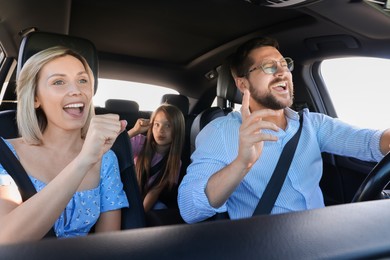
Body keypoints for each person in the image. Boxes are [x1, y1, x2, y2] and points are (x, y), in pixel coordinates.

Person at [178, 37, 390, 224]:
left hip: (323, 238)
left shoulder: (313, 124)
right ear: (243, 84)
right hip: (267, 246)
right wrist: (242, 163)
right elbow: (190, 209)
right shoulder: (221, 132)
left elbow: (372, 142)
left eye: (284, 64)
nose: (282, 72)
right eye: (269, 67)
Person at [0, 46, 129, 244]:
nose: (76, 90)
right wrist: (83, 161)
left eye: (83, 80)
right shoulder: (6, 155)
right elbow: (5, 238)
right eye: (59, 82)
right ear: (35, 98)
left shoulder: (107, 159)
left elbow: (108, 244)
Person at [127, 104, 185, 212]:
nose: (161, 130)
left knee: (161, 208)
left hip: (147, 199)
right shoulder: (140, 142)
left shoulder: (176, 163)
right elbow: (116, 146)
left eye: (168, 126)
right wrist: (134, 130)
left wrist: (141, 215)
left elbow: (155, 191)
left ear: (178, 129)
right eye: (156, 124)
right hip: (128, 193)